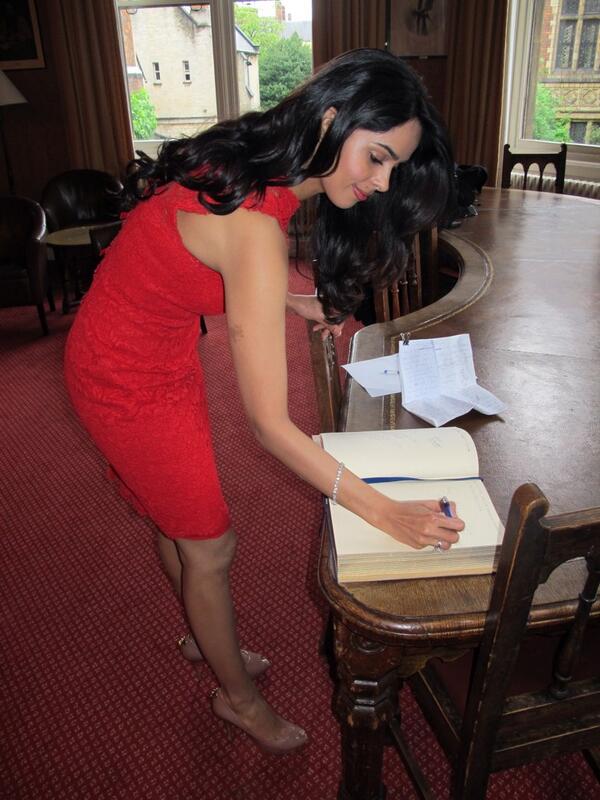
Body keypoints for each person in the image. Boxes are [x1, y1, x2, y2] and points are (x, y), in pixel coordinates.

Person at [64, 48, 465, 755]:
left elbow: (185, 247)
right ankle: (239, 701)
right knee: (212, 544)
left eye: (395, 168)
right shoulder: (255, 226)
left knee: (178, 518)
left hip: (152, 347)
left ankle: (201, 627)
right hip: (120, 375)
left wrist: (282, 297)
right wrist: (380, 508)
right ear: (332, 120)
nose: (381, 181)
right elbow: (271, 428)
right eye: (375, 157)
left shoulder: (259, 165)